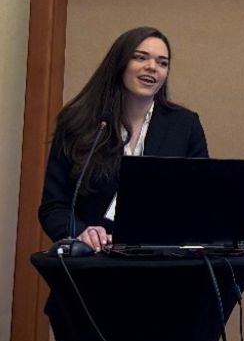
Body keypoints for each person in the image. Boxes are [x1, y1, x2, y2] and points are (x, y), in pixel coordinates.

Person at [38, 26, 208, 252]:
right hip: (93, 263)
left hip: (159, 262)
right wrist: (81, 233)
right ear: (119, 64)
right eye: (140, 57)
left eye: (162, 62)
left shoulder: (184, 125)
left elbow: (200, 200)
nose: (152, 67)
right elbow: (54, 207)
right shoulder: (78, 122)